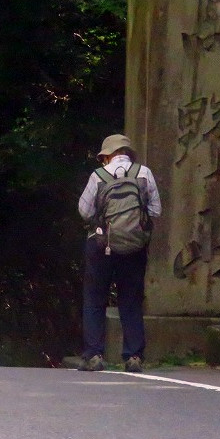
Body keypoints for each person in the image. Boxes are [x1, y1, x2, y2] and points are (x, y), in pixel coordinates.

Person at [77, 134, 161, 372]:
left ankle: (94, 354)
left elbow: (84, 211)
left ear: (107, 156)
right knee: (131, 300)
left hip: (101, 244)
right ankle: (133, 356)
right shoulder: (144, 173)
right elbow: (156, 210)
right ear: (127, 153)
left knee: (95, 298)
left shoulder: (98, 175)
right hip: (135, 246)